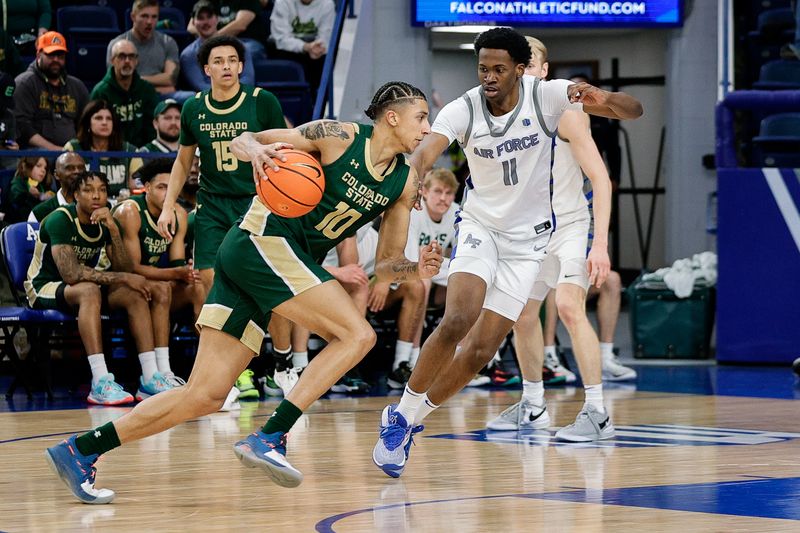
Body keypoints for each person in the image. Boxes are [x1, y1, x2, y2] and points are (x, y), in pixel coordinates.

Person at [45, 81, 441, 503]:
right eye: (421, 117)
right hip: (262, 239)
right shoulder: (338, 135)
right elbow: (243, 139)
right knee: (358, 335)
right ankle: (271, 434)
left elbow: (385, 265)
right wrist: (256, 151)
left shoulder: (403, 182)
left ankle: (81, 450)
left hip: (270, 261)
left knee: (204, 396)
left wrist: (417, 267)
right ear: (392, 117)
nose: (426, 128)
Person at [372, 27, 643, 477]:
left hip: (531, 241)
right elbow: (426, 152)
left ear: (521, 69)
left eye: (499, 69)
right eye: (483, 68)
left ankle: (408, 423)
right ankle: (400, 413)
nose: (489, 77)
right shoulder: (465, 107)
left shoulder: (550, 95)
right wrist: (415, 177)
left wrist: (601, 96)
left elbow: (633, 110)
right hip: (481, 227)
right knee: (459, 317)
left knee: (480, 349)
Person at [484, 36, 623, 440]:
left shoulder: (566, 111)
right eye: (516, 66)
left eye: (529, 65)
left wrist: (600, 245)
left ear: (544, 71)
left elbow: (601, 179)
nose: (522, 72)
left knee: (567, 306)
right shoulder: (497, 115)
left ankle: (597, 412)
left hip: (570, 227)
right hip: (529, 232)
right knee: (522, 315)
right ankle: (532, 405)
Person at [24, 170, 173, 405]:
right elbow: (71, 274)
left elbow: (124, 267)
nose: (96, 196)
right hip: (45, 286)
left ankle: (150, 377)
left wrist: (114, 230)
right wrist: (123, 278)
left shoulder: (106, 221)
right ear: (75, 196)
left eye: (102, 190)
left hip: (86, 286)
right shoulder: (59, 219)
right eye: (88, 190)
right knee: (89, 290)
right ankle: (100, 380)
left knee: (135, 293)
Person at [113, 158, 206, 382]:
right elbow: (131, 268)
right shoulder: (130, 212)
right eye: (161, 187)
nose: (167, 193)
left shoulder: (179, 214)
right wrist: (177, 273)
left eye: (170, 186)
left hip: (154, 284)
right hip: (119, 283)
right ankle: (161, 372)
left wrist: (187, 272)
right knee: (162, 288)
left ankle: (210, 368)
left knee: (198, 287)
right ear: (146, 188)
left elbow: (176, 264)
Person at [13, 31, 88, 150]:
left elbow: (86, 123)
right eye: (51, 55)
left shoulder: (77, 86)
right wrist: (53, 149)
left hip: (72, 152)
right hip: (36, 153)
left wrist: (75, 149)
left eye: (60, 56)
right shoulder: (25, 83)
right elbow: (22, 126)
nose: (56, 60)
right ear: (38, 55)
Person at [64, 100, 141, 199]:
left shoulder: (130, 151)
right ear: (88, 123)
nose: (104, 123)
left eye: (109, 119)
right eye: (98, 118)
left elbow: (135, 188)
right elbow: (67, 186)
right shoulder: (73, 148)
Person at [91, 40, 160, 148]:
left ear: (136, 61)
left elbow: (153, 126)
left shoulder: (146, 89)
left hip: (144, 152)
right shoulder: (101, 92)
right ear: (113, 60)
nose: (127, 61)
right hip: (112, 151)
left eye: (131, 57)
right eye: (122, 56)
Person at [106, 0, 180, 95]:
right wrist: (157, 86)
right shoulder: (117, 45)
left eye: (154, 17)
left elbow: (171, 79)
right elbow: (117, 81)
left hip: (161, 96)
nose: (149, 22)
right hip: (130, 95)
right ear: (133, 17)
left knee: (187, 96)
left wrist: (134, 79)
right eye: (144, 16)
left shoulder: (168, 42)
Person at [181, 0, 255, 92]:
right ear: (193, 22)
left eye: (209, 17)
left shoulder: (240, 47)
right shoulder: (188, 54)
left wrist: (232, 95)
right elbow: (200, 85)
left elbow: (248, 79)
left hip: (240, 97)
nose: (206, 22)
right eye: (200, 18)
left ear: (217, 18)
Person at [269, 0, 335, 95]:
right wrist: (305, 47)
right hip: (286, 51)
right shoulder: (282, 2)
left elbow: (326, 38)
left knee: (324, 58)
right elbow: (281, 39)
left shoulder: (327, 4)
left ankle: (316, 101)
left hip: (315, 52)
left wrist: (315, 48)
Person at [188, 0, 270, 60]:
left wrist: (212, 39)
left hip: (245, 41)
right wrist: (209, 38)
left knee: (246, 52)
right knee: (190, 55)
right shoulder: (208, 2)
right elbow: (191, 27)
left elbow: (240, 25)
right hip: (216, 43)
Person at [28, 152, 86, 223]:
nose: (77, 171)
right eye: (69, 168)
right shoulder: (39, 213)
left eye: (81, 168)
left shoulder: (95, 206)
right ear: (56, 174)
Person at [7, 156, 54, 223]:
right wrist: (34, 196)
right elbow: (17, 200)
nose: (43, 170)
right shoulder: (19, 182)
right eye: (38, 166)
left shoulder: (43, 185)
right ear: (26, 166)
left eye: (45, 168)